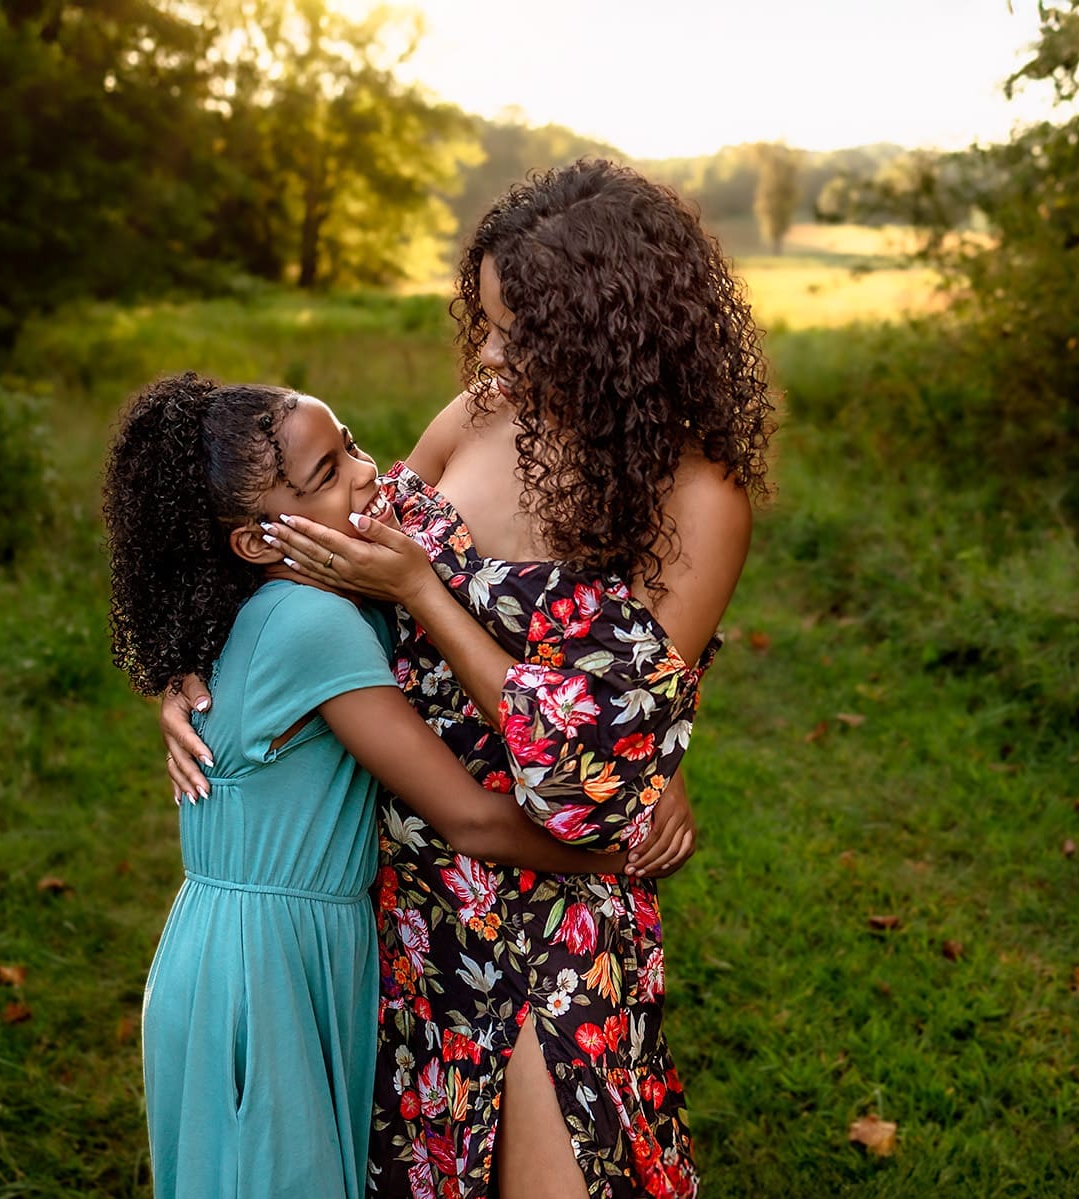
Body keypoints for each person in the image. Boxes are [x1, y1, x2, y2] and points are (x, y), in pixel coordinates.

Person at [163, 159, 772, 1198]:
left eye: (517, 332)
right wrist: (190, 666)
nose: (489, 354)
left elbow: (594, 767)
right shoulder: (480, 415)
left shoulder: (699, 500)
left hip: (554, 882)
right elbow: (321, 555)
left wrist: (434, 597)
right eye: (484, 321)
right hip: (398, 874)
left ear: (612, 329)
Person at [103, 373, 645, 1199]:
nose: (368, 473)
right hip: (269, 961)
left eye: (352, 443)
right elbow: (467, 819)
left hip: (225, 942)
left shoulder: (261, 601)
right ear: (256, 540)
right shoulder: (314, 623)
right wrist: (620, 852)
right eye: (329, 472)